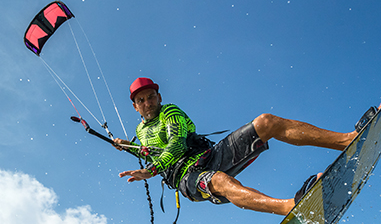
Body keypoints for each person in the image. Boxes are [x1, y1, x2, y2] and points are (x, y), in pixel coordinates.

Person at [114, 77, 362, 216]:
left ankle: (345, 140)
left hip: (209, 156)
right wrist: (129, 147)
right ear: (135, 107)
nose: (147, 103)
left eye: (151, 97)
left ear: (159, 97)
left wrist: (151, 170)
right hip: (186, 178)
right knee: (219, 181)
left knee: (266, 122)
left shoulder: (170, 111)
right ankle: (289, 207)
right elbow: (154, 151)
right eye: (141, 100)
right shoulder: (140, 132)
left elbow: (177, 144)